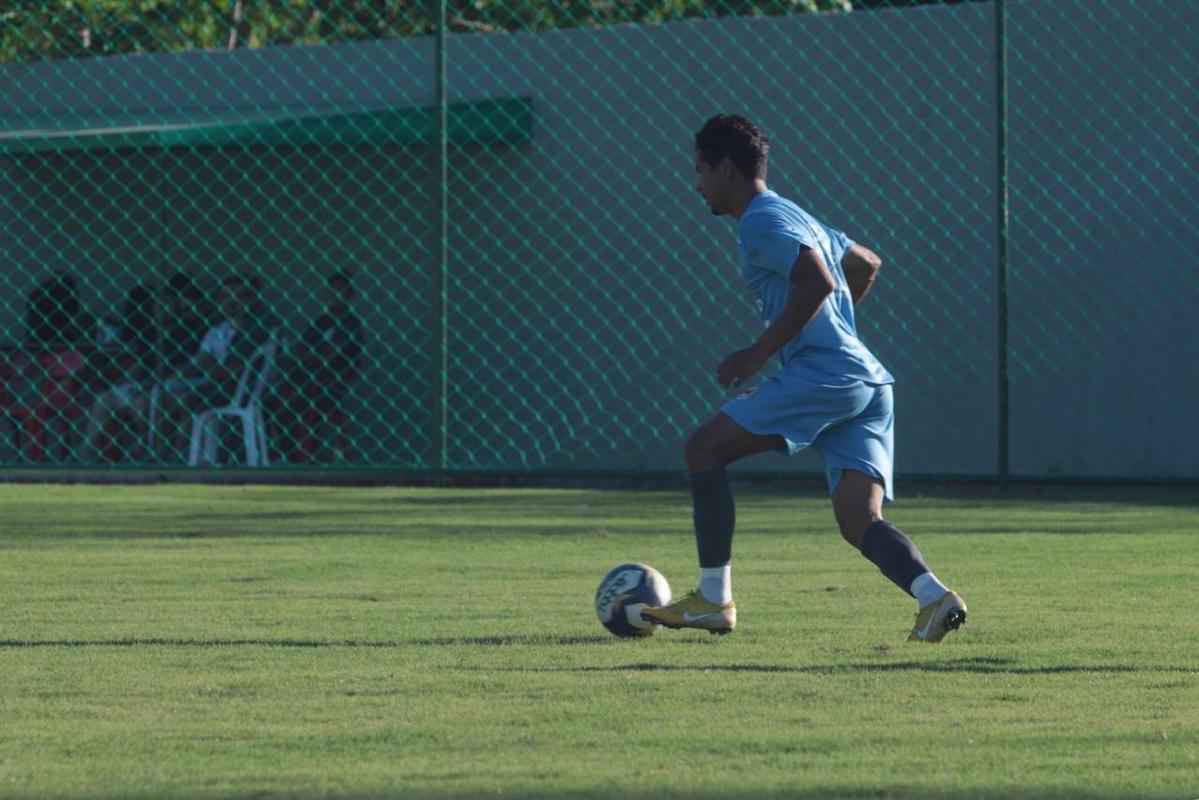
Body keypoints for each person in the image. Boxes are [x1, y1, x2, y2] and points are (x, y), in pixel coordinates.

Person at [642, 115, 967, 643]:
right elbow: (864, 264)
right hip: (865, 382)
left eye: (700, 170)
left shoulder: (760, 220)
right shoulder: (795, 214)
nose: (696, 183)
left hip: (826, 375)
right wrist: (833, 326)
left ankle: (713, 599)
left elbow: (817, 280)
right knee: (858, 520)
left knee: (703, 449)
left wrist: (759, 352)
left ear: (726, 169)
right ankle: (935, 597)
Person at [154, 275, 275, 461]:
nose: (231, 302)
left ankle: (182, 455)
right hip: (212, 383)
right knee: (160, 393)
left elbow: (227, 372)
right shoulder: (218, 330)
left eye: (240, 296)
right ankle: (160, 452)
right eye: (226, 296)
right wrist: (200, 368)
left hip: (239, 392)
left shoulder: (256, 330)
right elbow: (200, 363)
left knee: (186, 398)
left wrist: (210, 365)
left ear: (252, 299)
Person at [270, 271, 363, 462]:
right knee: (277, 400)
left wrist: (308, 356)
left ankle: (306, 455)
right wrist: (303, 356)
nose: (334, 297)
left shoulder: (350, 323)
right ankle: (290, 454)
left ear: (349, 295)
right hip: (306, 378)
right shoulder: (321, 322)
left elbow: (330, 355)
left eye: (340, 292)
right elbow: (301, 349)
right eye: (331, 292)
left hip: (332, 380)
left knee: (305, 403)